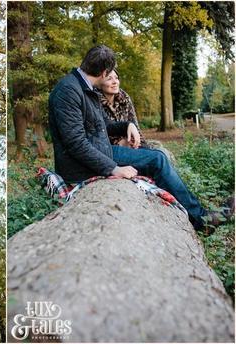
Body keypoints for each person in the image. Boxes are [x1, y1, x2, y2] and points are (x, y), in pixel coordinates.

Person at [48, 44, 232, 233]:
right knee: (157, 159)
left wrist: (128, 125)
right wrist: (113, 169)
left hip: (101, 150)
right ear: (104, 72)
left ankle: (198, 216)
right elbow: (75, 143)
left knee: (157, 156)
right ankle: (202, 221)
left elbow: (103, 126)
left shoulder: (85, 88)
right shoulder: (68, 91)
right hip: (80, 167)